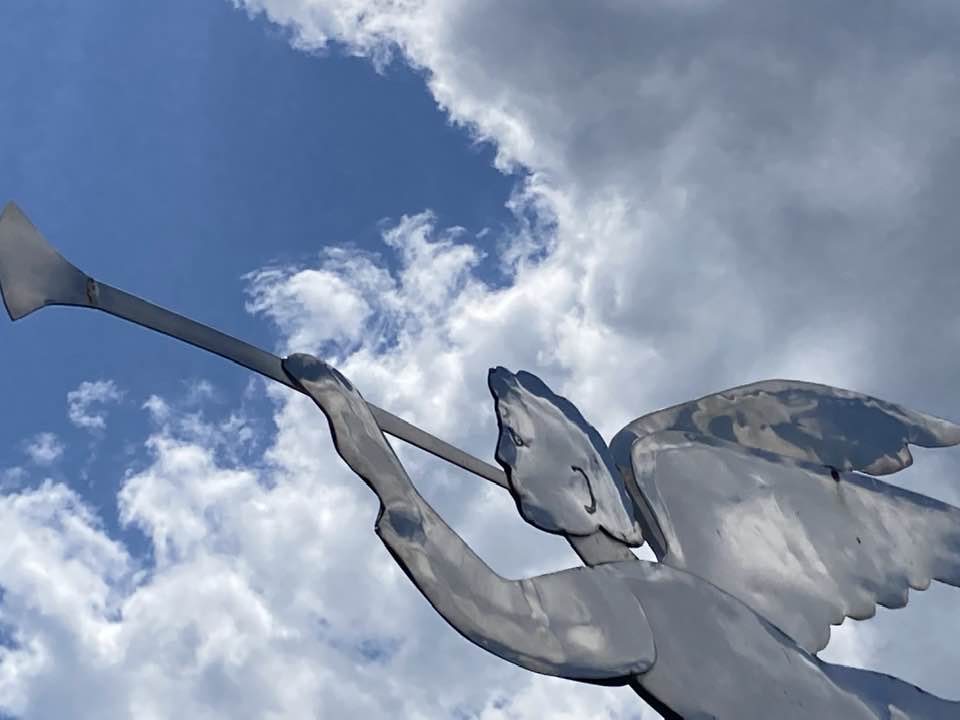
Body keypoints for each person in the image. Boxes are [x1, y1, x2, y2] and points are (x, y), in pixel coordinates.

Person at [282, 353, 957, 720]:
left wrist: (363, 435)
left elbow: (480, 599)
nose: (506, 461)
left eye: (515, 442)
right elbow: (472, 591)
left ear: (581, 484)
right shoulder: (642, 587)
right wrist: (360, 434)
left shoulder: (627, 600)